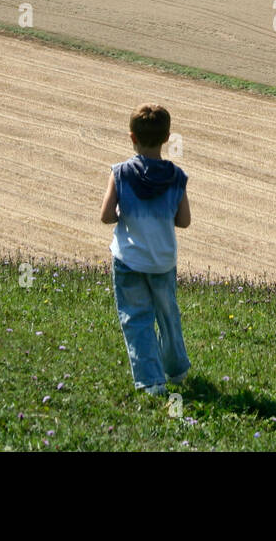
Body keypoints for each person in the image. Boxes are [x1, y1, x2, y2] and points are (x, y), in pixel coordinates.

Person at [99, 104, 192, 395]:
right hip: (162, 261)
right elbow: (184, 221)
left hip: (129, 260)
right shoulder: (177, 177)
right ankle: (176, 370)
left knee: (136, 318)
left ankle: (152, 382)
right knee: (168, 315)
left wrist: (121, 214)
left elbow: (106, 215)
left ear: (132, 137)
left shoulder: (121, 173)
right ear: (166, 138)